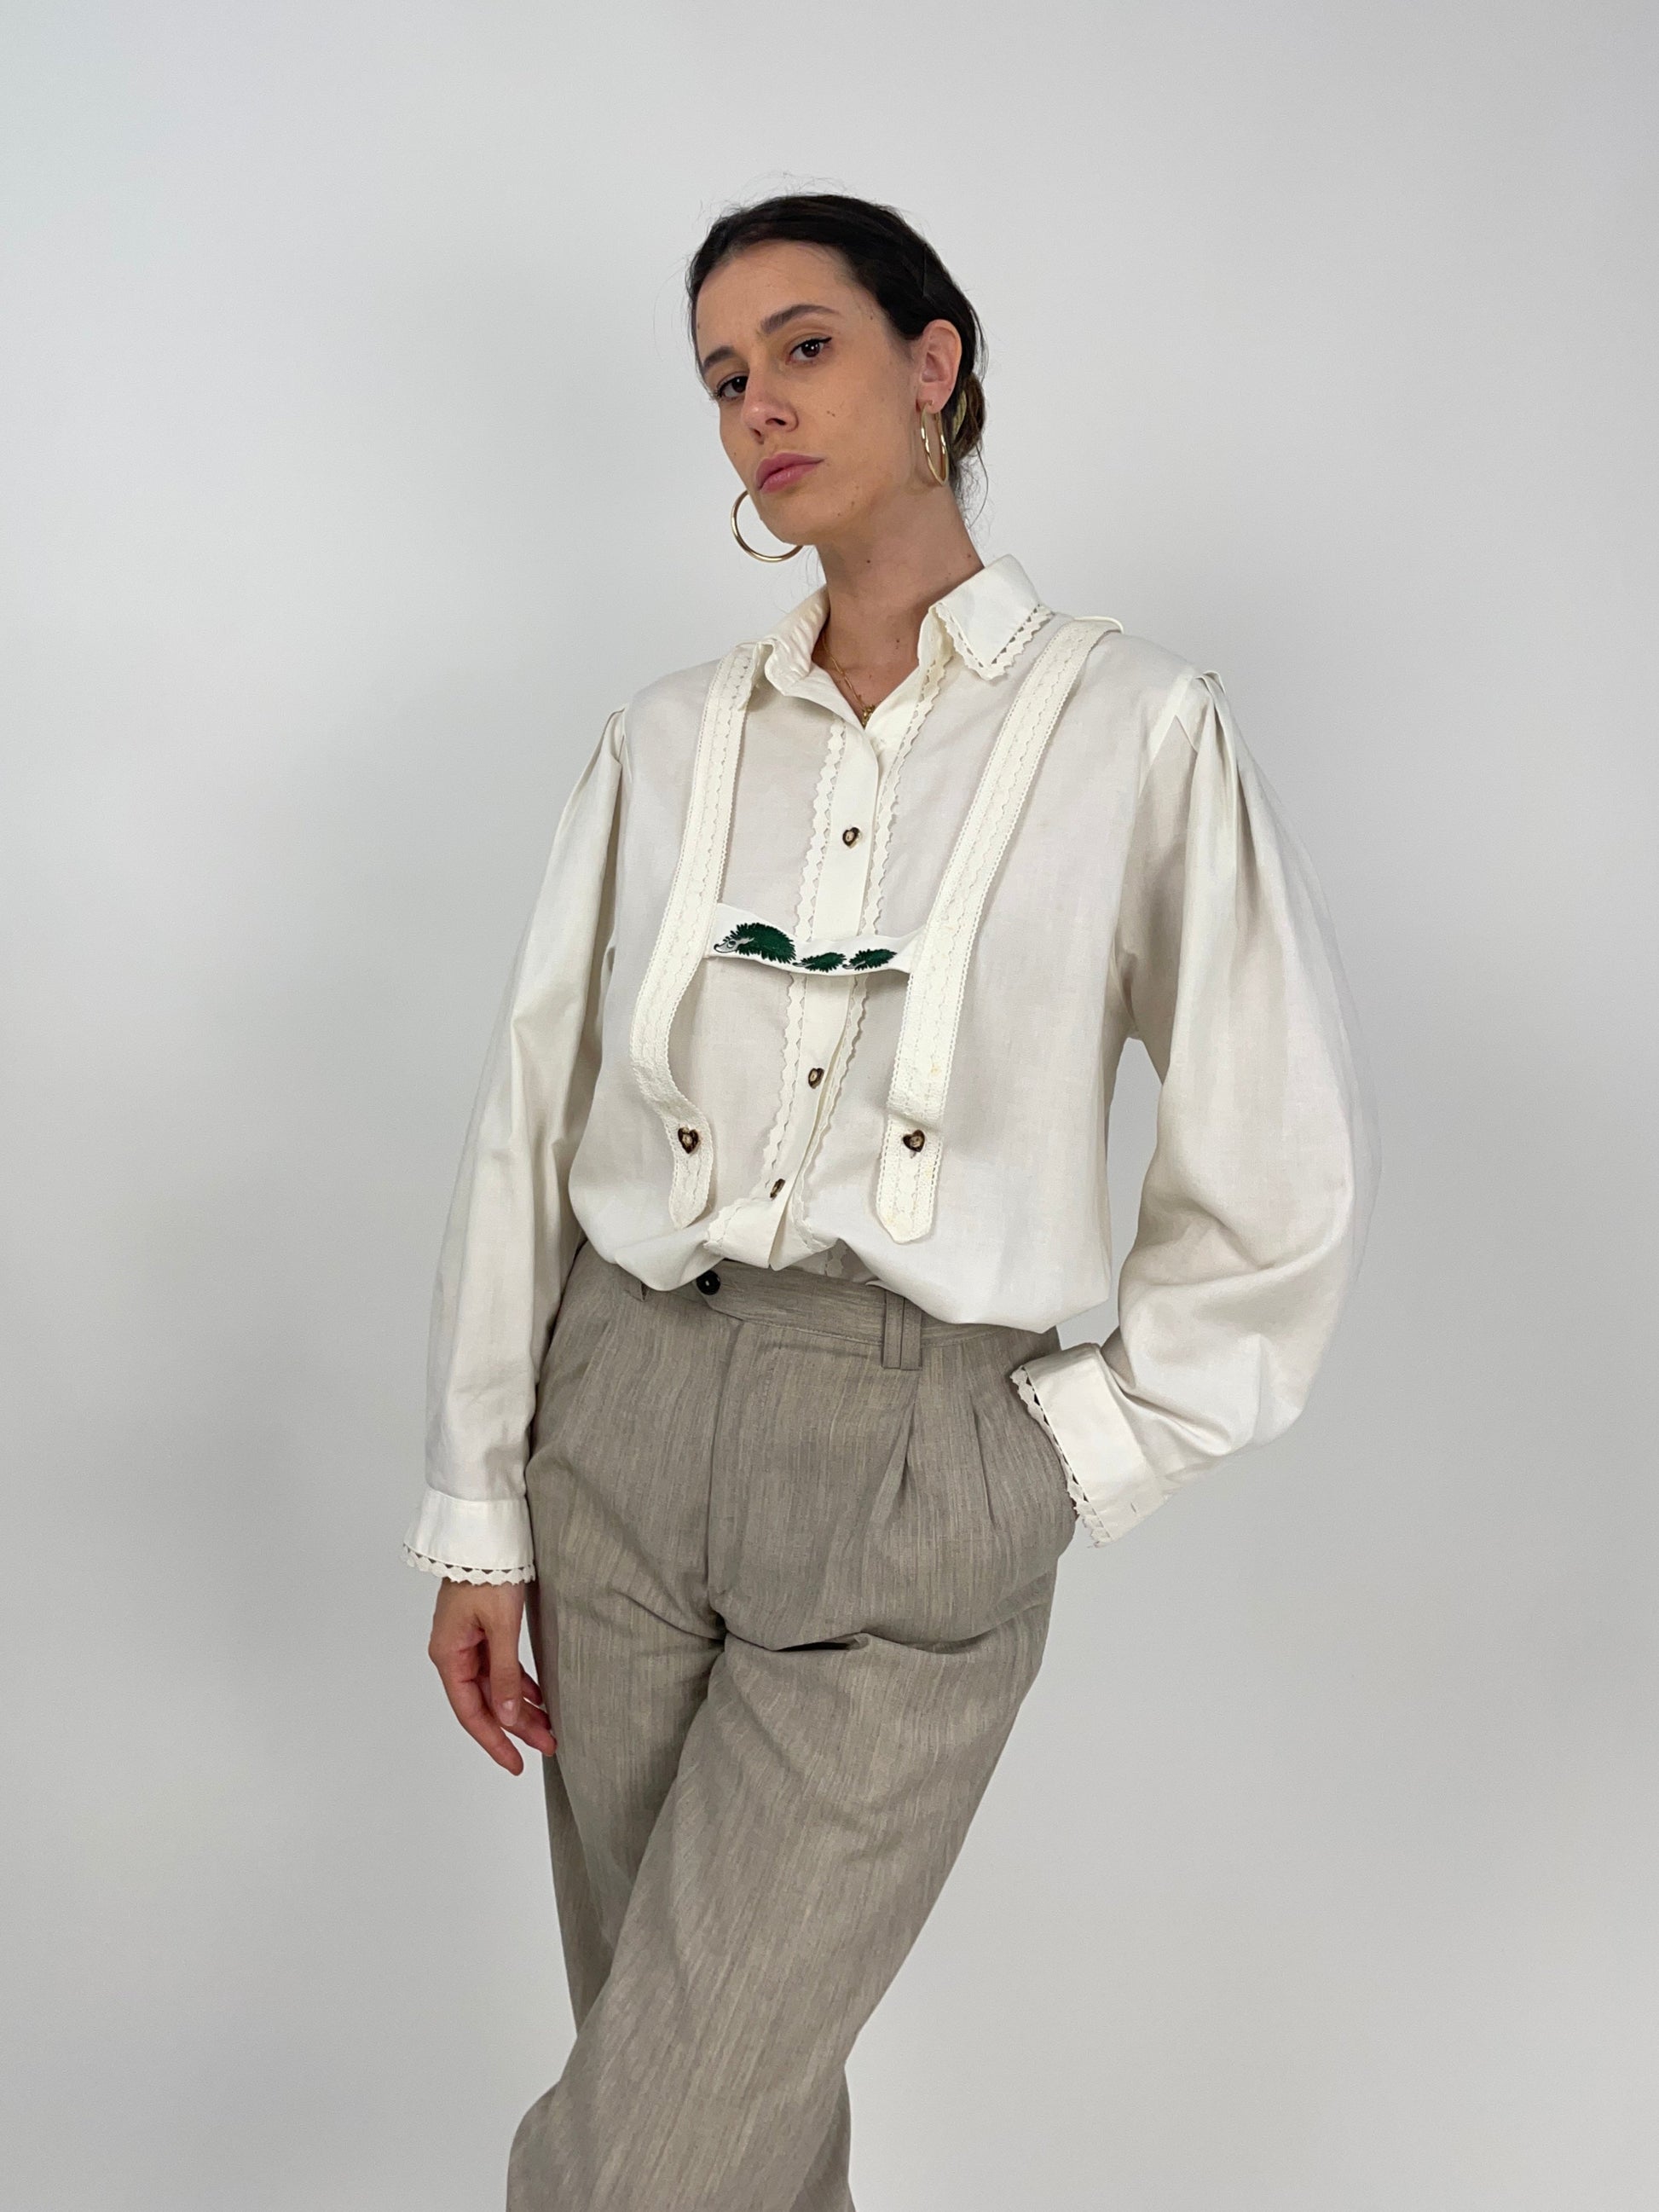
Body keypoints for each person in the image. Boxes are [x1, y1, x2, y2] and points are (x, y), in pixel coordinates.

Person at [402, 190, 1380, 2212]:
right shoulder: (666, 739)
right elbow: (530, 1113)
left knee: (642, 2161)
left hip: (918, 1466)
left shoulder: (1135, 728)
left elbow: (1275, 1159)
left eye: (805, 346)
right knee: (726, 2138)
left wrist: (1064, 1456)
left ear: (934, 363)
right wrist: (480, 1501)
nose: (757, 403)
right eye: (721, 376)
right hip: (618, 1440)